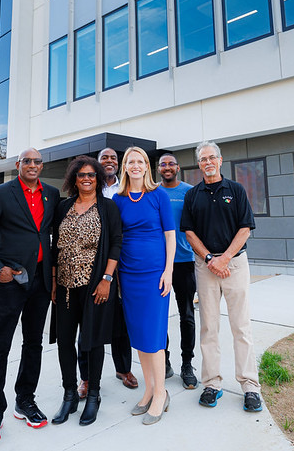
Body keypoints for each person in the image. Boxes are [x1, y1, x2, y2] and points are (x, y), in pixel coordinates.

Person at [0, 148, 60, 448]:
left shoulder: (51, 193)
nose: (32, 165)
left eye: (37, 161)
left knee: (33, 343)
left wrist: (54, 276)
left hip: (41, 281)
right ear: (18, 165)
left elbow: (50, 235)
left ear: (41, 165)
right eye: (27, 161)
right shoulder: (0, 193)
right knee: (1, 345)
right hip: (10, 282)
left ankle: (25, 400)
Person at [180, 141, 263, 413]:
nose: (207, 162)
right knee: (209, 327)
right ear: (199, 163)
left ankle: (250, 386)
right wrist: (209, 260)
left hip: (234, 265)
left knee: (241, 326)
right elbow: (189, 232)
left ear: (220, 160)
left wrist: (224, 259)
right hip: (205, 267)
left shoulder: (235, 190)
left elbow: (245, 228)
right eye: (202, 159)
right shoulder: (193, 195)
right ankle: (211, 384)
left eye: (211, 157)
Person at [51, 156, 122, 426]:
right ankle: (69, 394)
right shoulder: (63, 207)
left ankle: (93, 396)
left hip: (95, 287)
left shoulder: (108, 208)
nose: (87, 179)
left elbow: (116, 243)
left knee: (91, 341)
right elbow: (54, 246)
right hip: (66, 288)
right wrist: (55, 281)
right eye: (81, 175)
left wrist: (107, 278)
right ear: (74, 178)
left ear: (99, 178)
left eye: (91, 175)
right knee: (66, 341)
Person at [113, 146, 176, 425]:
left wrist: (168, 271)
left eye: (140, 161)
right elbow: (115, 239)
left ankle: (161, 393)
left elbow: (170, 236)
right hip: (128, 275)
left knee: (154, 335)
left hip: (154, 275)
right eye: (131, 161)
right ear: (124, 167)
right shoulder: (118, 199)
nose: (136, 165)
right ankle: (149, 389)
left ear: (146, 167)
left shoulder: (159, 195)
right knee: (138, 335)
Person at [77, 148, 138, 395]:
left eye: (113, 158)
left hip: (122, 260)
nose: (109, 161)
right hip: (91, 262)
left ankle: (123, 368)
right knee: (87, 319)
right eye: (105, 158)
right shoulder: (90, 188)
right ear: (97, 163)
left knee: (120, 318)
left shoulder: (126, 189)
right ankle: (87, 378)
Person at [158, 152, 198, 389]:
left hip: (184, 261)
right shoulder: (153, 191)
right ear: (159, 169)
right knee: (160, 316)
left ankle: (187, 364)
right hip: (159, 265)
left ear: (178, 167)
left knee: (187, 315)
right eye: (163, 164)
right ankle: (164, 361)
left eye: (171, 163)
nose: (167, 167)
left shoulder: (189, 192)